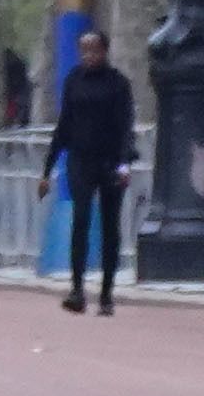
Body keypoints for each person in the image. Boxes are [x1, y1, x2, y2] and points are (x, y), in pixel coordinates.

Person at [44, 44, 137, 314]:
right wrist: (47, 169)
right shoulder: (74, 79)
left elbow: (125, 124)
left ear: (105, 52)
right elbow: (64, 124)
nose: (88, 56)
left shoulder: (118, 83)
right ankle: (77, 289)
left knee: (110, 225)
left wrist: (124, 163)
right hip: (80, 160)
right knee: (81, 219)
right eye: (84, 51)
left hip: (109, 160)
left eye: (94, 51)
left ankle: (107, 293)